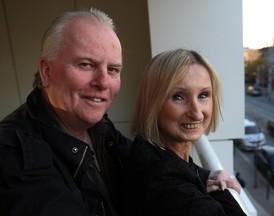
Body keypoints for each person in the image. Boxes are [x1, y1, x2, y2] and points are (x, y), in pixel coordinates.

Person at [0, 8, 240, 216]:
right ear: (46, 71)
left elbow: (140, 159)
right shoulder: (14, 156)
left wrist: (201, 175)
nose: (103, 82)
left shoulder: (97, 125)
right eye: (86, 65)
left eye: (113, 69)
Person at [124, 48, 247, 215]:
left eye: (203, 95)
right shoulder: (162, 178)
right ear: (153, 103)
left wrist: (206, 176)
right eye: (178, 97)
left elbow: (184, 171)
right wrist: (222, 190)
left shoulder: (154, 151)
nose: (196, 113)